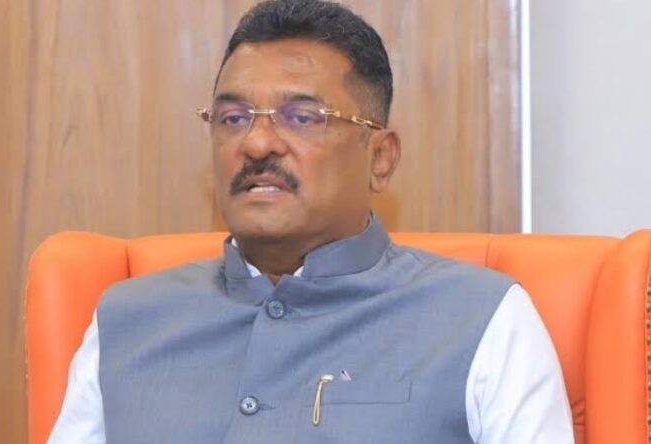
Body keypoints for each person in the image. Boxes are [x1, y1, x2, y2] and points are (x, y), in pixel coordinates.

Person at [48, 0, 574, 442]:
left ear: (380, 158)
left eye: (301, 118)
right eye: (233, 118)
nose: (257, 143)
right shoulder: (125, 322)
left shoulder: (482, 319)